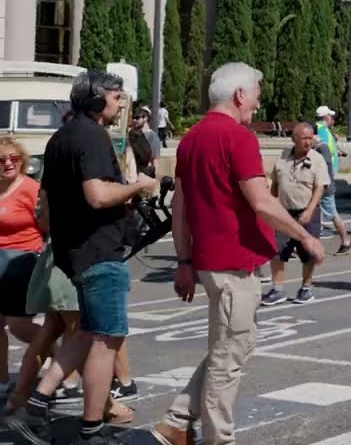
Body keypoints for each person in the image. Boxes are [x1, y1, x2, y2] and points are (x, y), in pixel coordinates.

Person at [150, 63, 325, 445]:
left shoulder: (191, 139)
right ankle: (217, 438)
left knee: (231, 346)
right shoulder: (238, 138)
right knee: (228, 358)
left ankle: (177, 422)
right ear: (240, 95)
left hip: (211, 263)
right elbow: (262, 201)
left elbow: (179, 207)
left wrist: (183, 261)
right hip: (235, 263)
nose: (258, 105)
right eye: (256, 97)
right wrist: (305, 237)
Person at [6, 71, 158, 445]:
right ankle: (91, 430)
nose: (120, 103)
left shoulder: (60, 138)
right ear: (95, 99)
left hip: (72, 252)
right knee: (107, 340)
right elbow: (97, 195)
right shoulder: (91, 136)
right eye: (116, 96)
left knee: (86, 334)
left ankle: (33, 407)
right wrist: (137, 186)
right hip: (98, 251)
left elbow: (48, 206)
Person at [262, 123, 330, 305]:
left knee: (307, 253)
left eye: (310, 138)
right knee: (276, 250)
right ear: (294, 139)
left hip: (307, 212)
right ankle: (278, 289)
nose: (308, 142)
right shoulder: (284, 156)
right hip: (284, 213)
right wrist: (271, 204)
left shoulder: (317, 159)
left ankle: (306, 288)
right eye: (304, 138)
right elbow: (275, 183)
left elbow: (320, 188)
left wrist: (309, 211)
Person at [0, 137, 43, 393]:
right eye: (2, 160)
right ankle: (2, 382)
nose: (8, 163)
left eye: (13, 158)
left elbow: (47, 223)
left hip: (23, 261)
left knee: (19, 326)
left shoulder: (30, 188)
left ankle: (61, 355)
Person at [313, 106, 351, 255]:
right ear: (326, 117)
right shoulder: (322, 131)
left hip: (324, 180)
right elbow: (324, 152)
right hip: (325, 179)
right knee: (319, 211)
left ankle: (346, 241)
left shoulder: (321, 130)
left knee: (330, 212)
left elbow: (323, 153)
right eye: (331, 116)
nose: (333, 119)